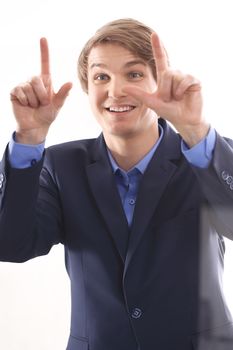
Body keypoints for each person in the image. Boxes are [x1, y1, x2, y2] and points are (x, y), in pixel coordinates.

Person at [0, 17, 233, 350]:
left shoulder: (205, 155)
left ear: (159, 82)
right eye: (101, 77)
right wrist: (28, 140)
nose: (115, 90)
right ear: (87, 88)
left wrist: (195, 130)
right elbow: (11, 245)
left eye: (134, 74)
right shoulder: (60, 166)